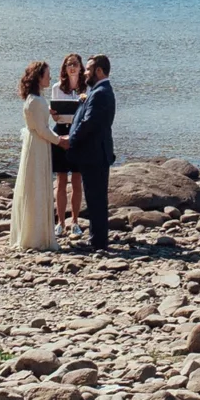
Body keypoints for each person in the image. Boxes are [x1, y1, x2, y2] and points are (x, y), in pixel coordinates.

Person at [9, 61, 59, 253]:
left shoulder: (35, 99)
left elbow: (39, 123)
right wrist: (60, 140)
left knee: (34, 184)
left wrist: (49, 112)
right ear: (39, 77)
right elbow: (42, 130)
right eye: (47, 74)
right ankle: (35, 235)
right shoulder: (36, 101)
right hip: (38, 145)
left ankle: (32, 232)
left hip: (35, 144)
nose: (50, 78)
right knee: (36, 184)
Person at [70, 54, 116, 253]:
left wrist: (70, 140)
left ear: (99, 71)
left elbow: (89, 123)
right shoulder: (101, 90)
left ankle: (97, 241)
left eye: (88, 69)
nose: (85, 73)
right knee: (95, 197)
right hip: (98, 152)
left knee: (95, 198)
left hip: (95, 153)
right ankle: (97, 238)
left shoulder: (99, 93)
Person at [49, 55, 87, 243]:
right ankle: (60, 222)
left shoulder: (86, 88)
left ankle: (75, 221)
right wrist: (54, 116)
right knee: (61, 178)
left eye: (75, 64)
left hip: (78, 134)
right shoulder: (57, 88)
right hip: (61, 132)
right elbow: (56, 117)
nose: (72, 67)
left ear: (81, 67)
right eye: (68, 64)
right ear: (64, 68)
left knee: (77, 178)